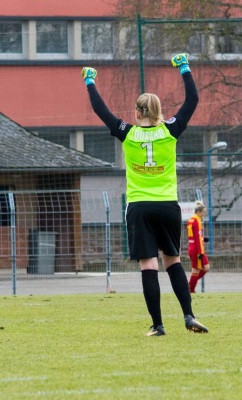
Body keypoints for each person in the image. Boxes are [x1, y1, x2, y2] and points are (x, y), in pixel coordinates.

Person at [82, 53, 208, 335]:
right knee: (173, 261)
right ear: (159, 110)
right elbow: (193, 101)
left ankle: (158, 325)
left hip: (139, 206)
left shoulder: (127, 133)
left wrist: (90, 81)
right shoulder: (170, 130)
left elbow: (101, 110)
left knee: (148, 264)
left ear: (137, 112)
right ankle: (188, 316)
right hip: (167, 205)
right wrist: (184, 68)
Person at [187, 201, 211, 293]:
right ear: (198, 212)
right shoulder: (197, 221)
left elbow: (193, 235)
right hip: (197, 249)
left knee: (203, 268)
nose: (204, 214)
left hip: (192, 247)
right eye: (203, 212)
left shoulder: (191, 220)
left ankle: (191, 286)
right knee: (198, 270)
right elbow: (196, 238)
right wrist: (200, 252)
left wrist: (203, 238)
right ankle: (191, 289)